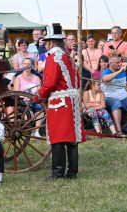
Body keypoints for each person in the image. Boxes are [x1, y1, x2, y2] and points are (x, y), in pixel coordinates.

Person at [33, 24, 84, 179]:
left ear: (50, 43)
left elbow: (49, 84)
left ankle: (57, 173)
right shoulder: (68, 58)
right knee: (71, 139)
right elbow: (78, 82)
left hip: (59, 103)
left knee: (58, 138)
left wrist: (37, 97)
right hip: (72, 101)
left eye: (46, 42)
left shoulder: (52, 58)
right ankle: (72, 172)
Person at [13, 58, 43, 137]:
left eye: (28, 64)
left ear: (32, 66)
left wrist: (34, 97)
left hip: (34, 99)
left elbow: (40, 91)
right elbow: (17, 93)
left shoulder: (36, 77)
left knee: (40, 108)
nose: (27, 66)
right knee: (28, 111)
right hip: (23, 101)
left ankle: (37, 131)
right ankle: (29, 130)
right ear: (22, 65)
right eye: (25, 64)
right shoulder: (18, 78)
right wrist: (25, 98)